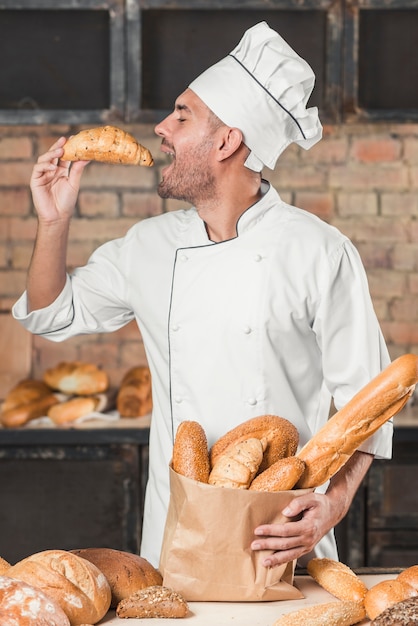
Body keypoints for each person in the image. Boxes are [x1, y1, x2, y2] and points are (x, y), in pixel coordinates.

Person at [13, 22, 392, 570]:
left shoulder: (319, 251)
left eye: (182, 115)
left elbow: (370, 405)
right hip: (174, 544)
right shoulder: (150, 244)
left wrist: (330, 507)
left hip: (281, 542)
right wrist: (54, 220)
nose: (162, 128)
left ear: (227, 141)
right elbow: (51, 313)